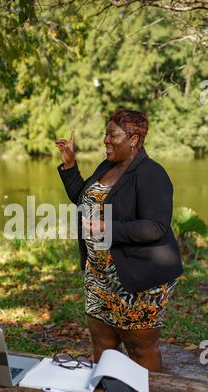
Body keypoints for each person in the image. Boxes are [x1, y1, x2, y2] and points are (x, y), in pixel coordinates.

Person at [55, 109, 183, 372]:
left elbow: (155, 226)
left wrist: (108, 227)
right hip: (99, 275)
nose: (106, 140)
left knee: (139, 349)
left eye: (113, 135)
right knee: (102, 343)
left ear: (134, 139)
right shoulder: (107, 168)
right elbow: (84, 198)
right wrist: (70, 165)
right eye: (106, 134)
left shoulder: (151, 174)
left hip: (138, 277)